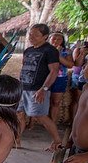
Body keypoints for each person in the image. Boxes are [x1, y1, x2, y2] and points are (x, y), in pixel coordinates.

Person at [17, 23, 62, 151]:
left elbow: (54, 71)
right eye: (30, 34)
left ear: (45, 36)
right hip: (23, 87)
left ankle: (57, 141)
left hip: (38, 89)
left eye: (36, 35)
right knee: (19, 114)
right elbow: (24, 68)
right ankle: (17, 140)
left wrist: (44, 89)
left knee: (40, 116)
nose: (32, 37)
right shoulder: (28, 50)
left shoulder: (50, 50)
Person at [48, 33, 74, 124]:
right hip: (44, 77)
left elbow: (70, 65)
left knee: (56, 101)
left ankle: (52, 123)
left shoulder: (66, 51)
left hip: (60, 78)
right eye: (54, 38)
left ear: (62, 41)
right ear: (49, 39)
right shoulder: (44, 49)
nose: (56, 41)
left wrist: (58, 54)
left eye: (59, 39)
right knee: (43, 101)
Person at [70, 31, 88, 120]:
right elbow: (77, 64)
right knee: (77, 99)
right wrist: (83, 53)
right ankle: (74, 121)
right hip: (79, 76)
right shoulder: (79, 49)